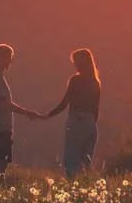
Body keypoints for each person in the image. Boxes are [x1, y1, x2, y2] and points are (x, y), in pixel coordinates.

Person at [0, 43, 40, 177]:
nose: (9, 61)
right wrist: (27, 113)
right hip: (0, 127)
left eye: (10, 57)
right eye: (7, 57)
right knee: (1, 162)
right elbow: (3, 103)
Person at [42, 48, 102, 178]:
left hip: (77, 121)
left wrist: (48, 115)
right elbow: (95, 108)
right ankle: (86, 185)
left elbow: (64, 103)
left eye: (75, 61)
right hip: (91, 123)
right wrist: (90, 123)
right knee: (86, 160)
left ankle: (73, 186)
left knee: (72, 159)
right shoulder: (96, 82)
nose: (74, 64)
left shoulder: (76, 80)